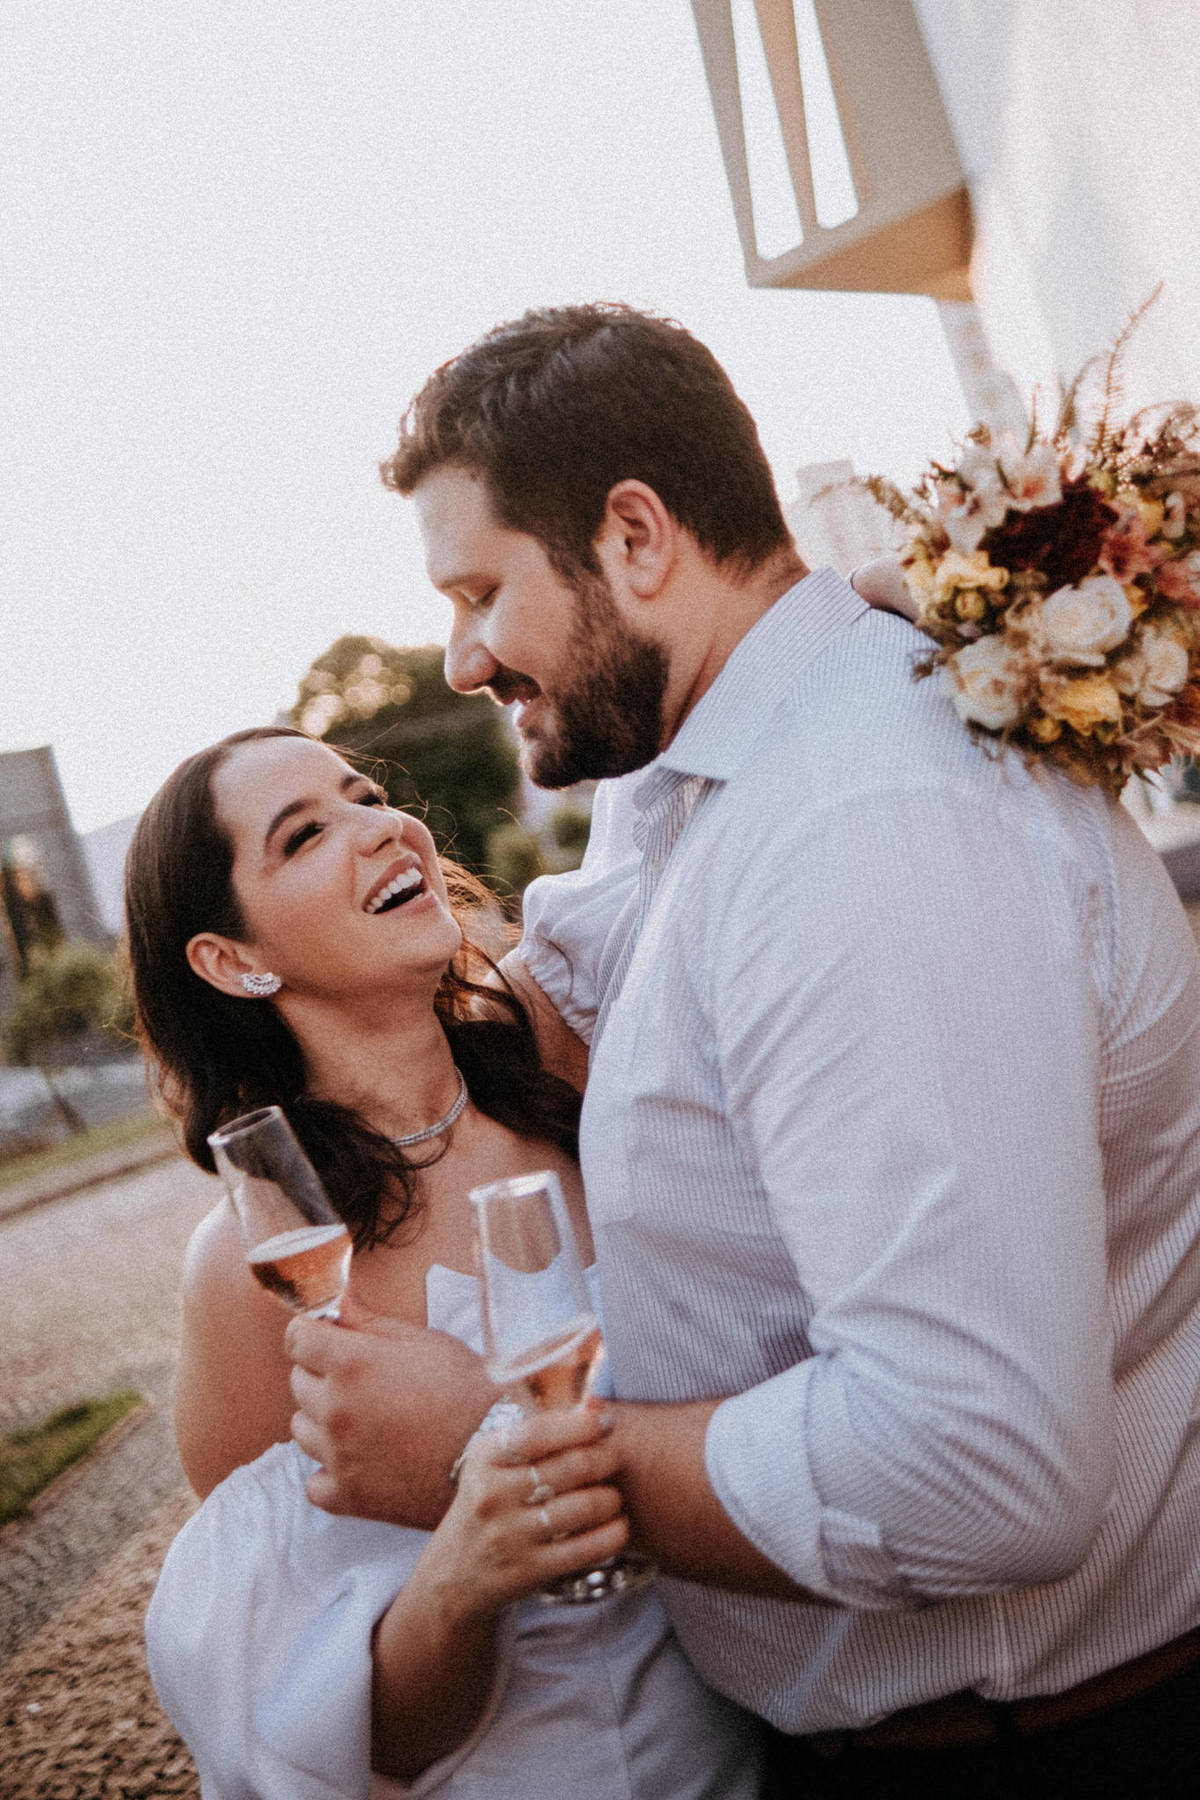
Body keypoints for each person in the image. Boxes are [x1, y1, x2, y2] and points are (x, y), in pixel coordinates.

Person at [285, 303, 1200, 1800]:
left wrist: (496, 1446)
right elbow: (589, 985)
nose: (459, 659)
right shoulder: (715, 763)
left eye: (481, 592)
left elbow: (983, 1467)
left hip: (1039, 1745)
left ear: (637, 536)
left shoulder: (863, 831)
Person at [129, 725, 762, 1798]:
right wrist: (465, 1571)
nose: (381, 828)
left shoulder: (574, 1072)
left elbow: (680, 840)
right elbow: (342, 1729)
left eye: (366, 795)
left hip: (754, 1742)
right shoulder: (258, 1263)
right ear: (234, 962)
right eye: (304, 835)